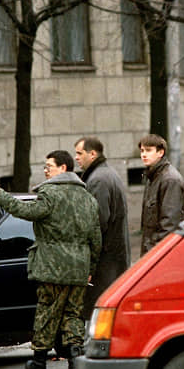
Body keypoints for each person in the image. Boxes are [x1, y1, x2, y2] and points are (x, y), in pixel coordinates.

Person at [0, 150, 101, 369]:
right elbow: (96, 238)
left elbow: (28, 211)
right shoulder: (88, 198)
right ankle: (75, 359)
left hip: (52, 266)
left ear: (63, 168)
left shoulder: (49, 194)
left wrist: (1, 198)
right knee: (72, 313)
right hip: (79, 267)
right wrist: (90, 269)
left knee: (47, 312)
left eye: (49, 166)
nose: (45, 171)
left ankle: (39, 361)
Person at [74, 136, 131, 321]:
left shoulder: (98, 180)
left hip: (105, 260)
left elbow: (97, 222)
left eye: (79, 153)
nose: (76, 158)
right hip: (113, 256)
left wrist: (90, 259)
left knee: (99, 312)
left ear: (92, 154)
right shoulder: (106, 174)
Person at [138, 134, 184, 255]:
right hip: (153, 251)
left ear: (160, 152)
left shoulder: (170, 180)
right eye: (142, 151)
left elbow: (169, 225)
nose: (144, 154)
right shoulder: (153, 176)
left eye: (149, 150)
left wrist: (154, 254)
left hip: (161, 254)